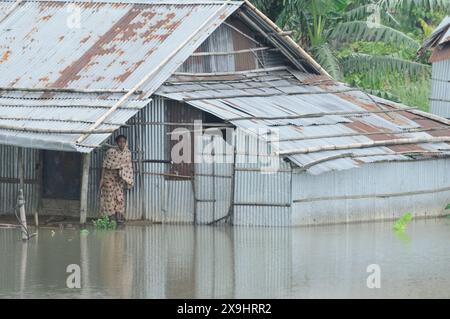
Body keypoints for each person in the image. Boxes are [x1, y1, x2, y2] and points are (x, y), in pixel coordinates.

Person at [99, 135, 134, 224]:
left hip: (119, 179)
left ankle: (119, 218)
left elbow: (128, 167)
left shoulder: (127, 153)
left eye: (123, 142)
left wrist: (126, 178)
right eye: (120, 142)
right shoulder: (111, 152)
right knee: (109, 198)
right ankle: (110, 219)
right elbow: (105, 165)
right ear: (117, 143)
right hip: (109, 178)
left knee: (119, 198)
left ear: (126, 143)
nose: (121, 144)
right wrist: (102, 179)